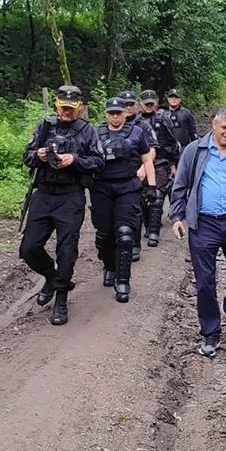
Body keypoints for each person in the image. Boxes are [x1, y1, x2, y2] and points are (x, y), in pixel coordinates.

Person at [170, 106, 226, 358]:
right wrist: (177, 217)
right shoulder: (194, 151)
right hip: (204, 224)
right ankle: (211, 331)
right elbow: (180, 186)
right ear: (214, 125)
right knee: (205, 282)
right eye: (225, 128)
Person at [20, 85, 104, 326]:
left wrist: (75, 159)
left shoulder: (87, 131)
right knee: (29, 248)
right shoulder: (45, 126)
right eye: (63, 107)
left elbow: (99, 163)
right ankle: (51, 276)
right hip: (43, 194)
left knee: (66, 252)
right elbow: (27, 156)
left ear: (79, 107)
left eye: (71, 108)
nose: (66, 112)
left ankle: (61, 299)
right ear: (56, 105)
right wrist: (40, 156)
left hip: (70, 196)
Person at [91, 97, 158, 302]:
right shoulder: (95, 133)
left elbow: (147, 159)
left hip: (128, 187)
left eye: (118, 112)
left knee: (125, 233)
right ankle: (109, 265)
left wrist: (152, 187)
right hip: (101, 188)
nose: (115, 116)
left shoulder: (136, 132)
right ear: (106, 114)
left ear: (125, 113)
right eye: (111, 112)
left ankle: (123, 280)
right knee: (105, 232)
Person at [139, 89, 180, 247]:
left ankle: (154, 232)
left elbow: (172, 142)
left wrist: (173, 164)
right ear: (140, 103)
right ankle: (148, 226)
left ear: (156, 102)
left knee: (157, 194)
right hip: (140, 163)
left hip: (161, 162)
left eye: (152, 102)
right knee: (142, 197)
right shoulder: (135, 120)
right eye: (146, 102)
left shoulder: (163, 118)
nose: (149, 105)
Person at [120, 90, 158, 262]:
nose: (128, 108)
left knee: (137, 208)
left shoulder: (143, 125)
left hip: (137, 172)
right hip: (117, 175)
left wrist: (144, 166)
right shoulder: (110, 125)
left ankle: (135, 242)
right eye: (124, 104)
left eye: (130, 104)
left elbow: (152, 149)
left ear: (136, 105)